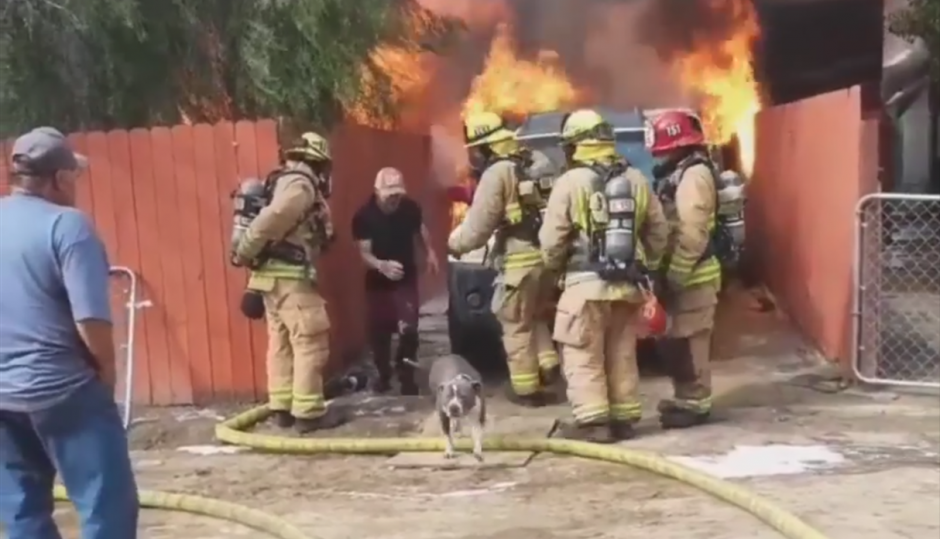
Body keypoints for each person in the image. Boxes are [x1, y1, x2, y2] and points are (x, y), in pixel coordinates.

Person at [0, 127, 139, 538]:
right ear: (59, 179)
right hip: (64, 389)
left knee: (23, 510)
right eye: (73, 177)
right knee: (105, 505)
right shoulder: (67, 226)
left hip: (2, 396)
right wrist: (107, 372)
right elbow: (90, 319)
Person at [539, 109, 670, 442]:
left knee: (582, 352)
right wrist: (648, 265)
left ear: (576, 145)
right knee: (622, 351)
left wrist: (554, 268)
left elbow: (552, 240)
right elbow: (658, 231)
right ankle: (624, 418)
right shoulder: (637, 179)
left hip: (585, 285)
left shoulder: (570, 182)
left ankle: (595, 423)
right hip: (628, 285)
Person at [448, 111, 561, 406]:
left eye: (476, 149)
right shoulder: (536, 161)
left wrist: (454, 244)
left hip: (519, 262)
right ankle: (549, 364)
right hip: (548, 258)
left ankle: (527, 390)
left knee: (514, 323)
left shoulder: (497, 173)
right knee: (534, 314)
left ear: (486, 146)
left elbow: (478, 227)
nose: (474, 156)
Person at [232, 131, 340, 433]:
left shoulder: (282, 181)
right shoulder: (300, 185)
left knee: (280, 344)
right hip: (291, 280)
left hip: (272, 280)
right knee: (310, 342)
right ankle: (308, 413)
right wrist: (245, 250)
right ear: (316, 162)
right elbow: (273, 218)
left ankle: (282, 407)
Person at [647, 109, 723, 429]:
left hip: (694, 275)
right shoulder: (680, 173)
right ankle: (684, 398)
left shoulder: (694, 176)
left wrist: (675, 275)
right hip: (683, 273)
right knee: (677, 339)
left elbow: (692, 231)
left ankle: (696, 405)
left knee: (691, 341)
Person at [352, 167, 440, 395]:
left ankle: (406, 374)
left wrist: (430, 252)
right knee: (379, 333)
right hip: (377, 282)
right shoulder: (364, 216)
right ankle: (383, 375)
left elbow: (420, 229)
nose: (394, 198)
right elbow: (364, 254)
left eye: (397, 193)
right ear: (377, 191)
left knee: (409, 330)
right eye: (389, 193)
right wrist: (382, 265)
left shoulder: (409, 208)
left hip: (405, 278)